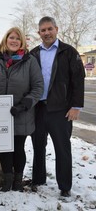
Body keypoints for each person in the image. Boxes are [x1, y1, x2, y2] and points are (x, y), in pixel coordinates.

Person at [0, 27, 44, 192]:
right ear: (6, 40)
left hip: (22, 113)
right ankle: (7, 180)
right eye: (11, 38)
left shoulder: (30, 61)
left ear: (21, 42)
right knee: (4, 149)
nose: (14, 41)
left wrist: (24, 105)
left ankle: (17, 181)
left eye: (17, 38)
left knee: (18, 146)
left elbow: (38, 87)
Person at [30, 16, 85, 197]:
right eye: (43, 30)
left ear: (56, 29)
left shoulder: (68, 52)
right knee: (38, 145)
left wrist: (76, 106)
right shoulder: (33, 54)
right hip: (38, 108)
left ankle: (65, 186)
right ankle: (38, 180)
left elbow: (78, 80)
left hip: (61, 110)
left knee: (62, 148)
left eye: (49, 29)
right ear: (39, 33)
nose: (47, 33)